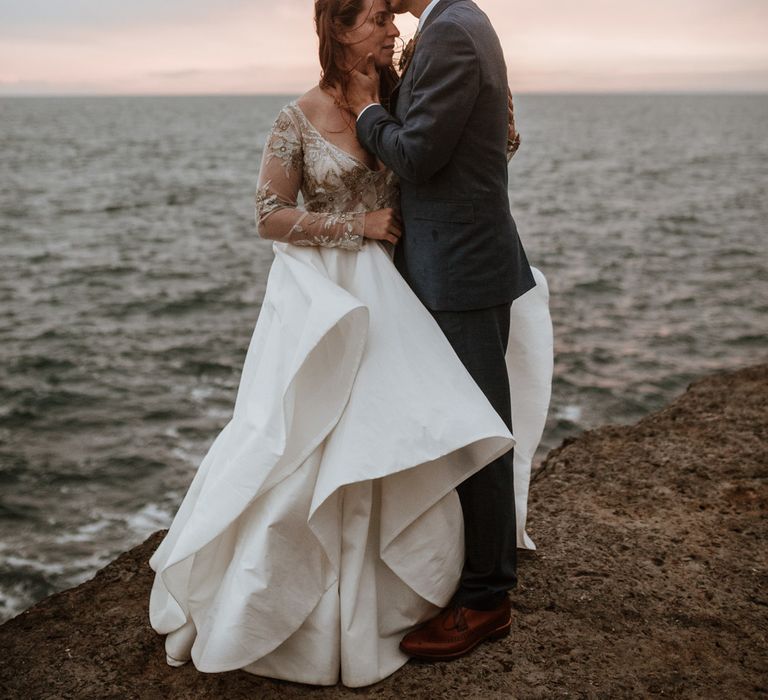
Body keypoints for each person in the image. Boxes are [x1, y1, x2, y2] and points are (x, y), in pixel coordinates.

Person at [148, 0, 552, 688]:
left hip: (422, 280)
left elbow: (447, 145)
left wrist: (470, 119)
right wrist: (355, 224)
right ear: (338, 31)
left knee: (454, 421)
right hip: (348, 291)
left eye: (391, 19)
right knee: (340, 431)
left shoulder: (421, 63)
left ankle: (478, 591)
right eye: (375, 19)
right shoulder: (300, 115)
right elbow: (268, 214)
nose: (393, 28)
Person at [345, 0, 537, 661]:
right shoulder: (450, 23)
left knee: (476, 433)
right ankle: (475, 569)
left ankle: (487, 599)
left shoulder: (453, 29)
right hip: (451, 261)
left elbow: (420, 155)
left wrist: (368, 109)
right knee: (465, 424)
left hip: (461, 269)